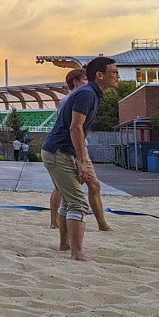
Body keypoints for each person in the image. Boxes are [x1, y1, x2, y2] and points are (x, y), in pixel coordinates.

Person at [41, 57, 118, 261]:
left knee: (72, 198)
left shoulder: (90, 94)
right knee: (77, 202)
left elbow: (77, 129)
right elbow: (75, 128)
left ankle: (66, 245)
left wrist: (79, 157)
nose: (117, 76)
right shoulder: (86, 94)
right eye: (114, 72)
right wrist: (82, 160)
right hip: (59, 152)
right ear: (100, 75)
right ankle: (77, 252)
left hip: (62, 151)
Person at [49, 68, 111, 232]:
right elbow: (73, 127)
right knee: (63, 190)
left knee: (94, 184)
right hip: (67, 149)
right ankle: (55, 222)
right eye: (85, 79)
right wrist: (79, 157)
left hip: (78, 148)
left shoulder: (88, 95)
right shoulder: (73, 98)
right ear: (76, 81)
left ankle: (102, 223)